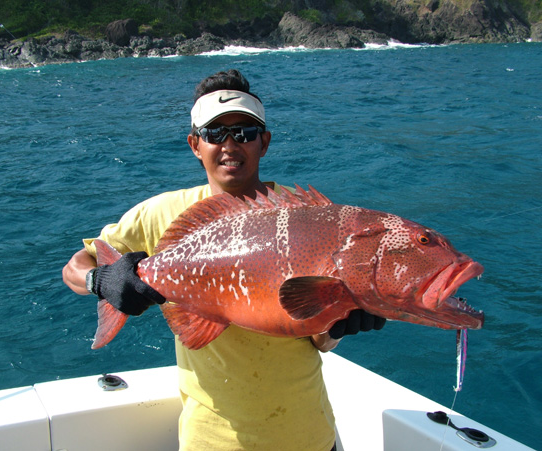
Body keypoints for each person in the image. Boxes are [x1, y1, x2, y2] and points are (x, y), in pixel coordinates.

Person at [62, 69, 385, 451]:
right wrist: (101, 281)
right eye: (215, 134)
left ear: (264, 143)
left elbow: (315, 339)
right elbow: (76, 264)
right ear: (195, 144)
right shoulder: (160, 213)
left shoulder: (307, 219)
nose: (231, 145)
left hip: (309, 437)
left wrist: (338, 324)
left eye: (246, 133)